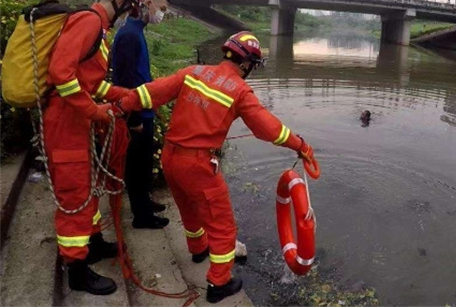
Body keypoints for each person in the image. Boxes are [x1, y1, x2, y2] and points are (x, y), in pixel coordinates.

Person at [112, 32, 318, 304]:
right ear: (246, 64)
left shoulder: (193, 72)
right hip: (197, 164)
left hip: (171, 159)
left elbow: (149, 92)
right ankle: (218, 282)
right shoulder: (240, 90)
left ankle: (197, 250)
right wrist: (300, 145)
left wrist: (119, 106)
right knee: (223, 228)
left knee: (188, 208)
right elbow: (269, 129)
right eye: (253, 67)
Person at [44, 0, 143, 295]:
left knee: (89, 186)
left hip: (77, 119)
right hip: (66, 121)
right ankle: (77, 269)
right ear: (117, 0)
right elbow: (61, 74)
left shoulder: (98, 29)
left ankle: (94, 241)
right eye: (128, 7)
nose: (127, 13)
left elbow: (89, 82)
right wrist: (94, 111)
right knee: (74, 193)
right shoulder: (88, 23)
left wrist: (119, 94)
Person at [111, 0, 171, 229]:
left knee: (144, 161)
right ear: (148, 3)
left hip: (144, 110)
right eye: (162, 8)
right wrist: (134, 118)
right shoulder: (129, 35)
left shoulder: (137, 31)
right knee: (136, 166)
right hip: (135, 114)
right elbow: (125, 80)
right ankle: (142, 216)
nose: (162, 14)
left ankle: (145, 202)